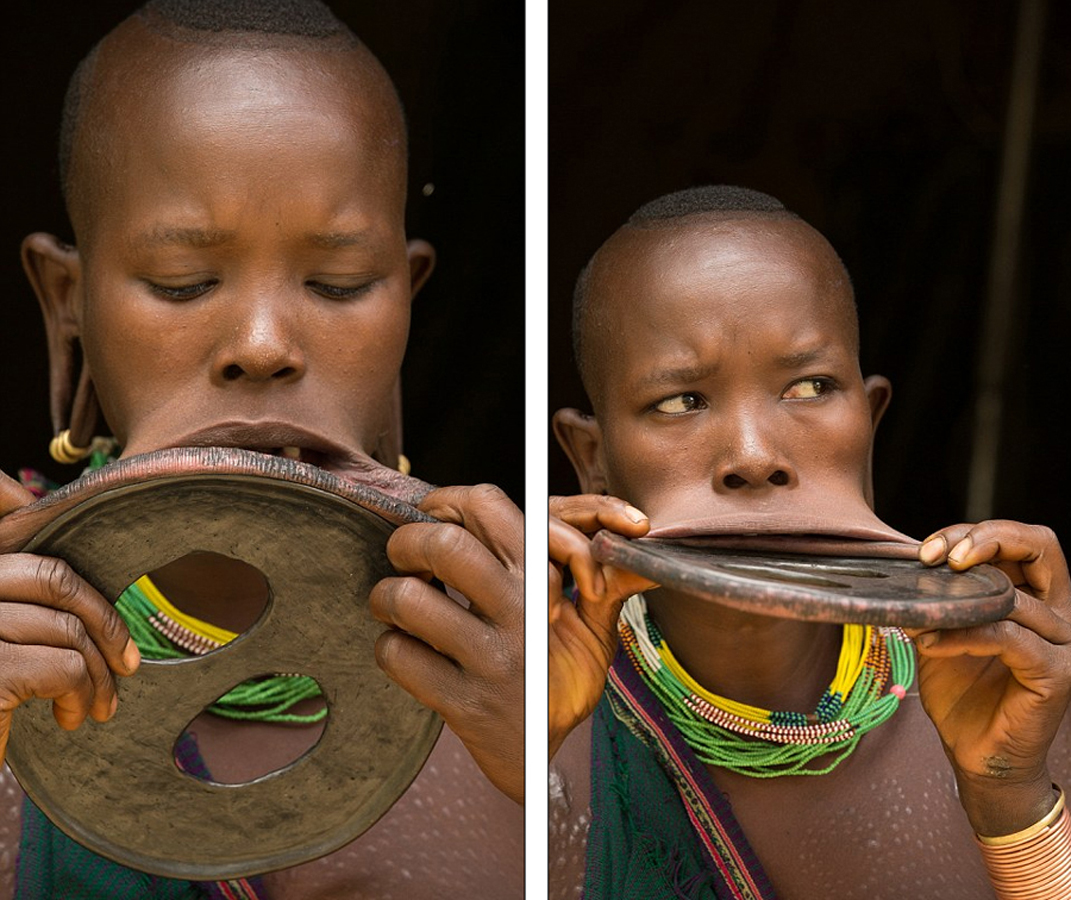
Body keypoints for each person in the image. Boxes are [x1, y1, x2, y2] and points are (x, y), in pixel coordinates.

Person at [0, 2, 524, 898]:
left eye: (339, 283)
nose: (263, 341)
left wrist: (541, 757)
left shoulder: (536, 660)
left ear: (408, 302)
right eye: (183, 283)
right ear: (67, 305)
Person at [549, 185, 1071, 899]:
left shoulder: (1018, 687)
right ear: (590, 456)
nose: (753, 454)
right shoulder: (533, 699)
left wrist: (1008, 791)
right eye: (679, 402)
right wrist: (528, 756)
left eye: (809, 387)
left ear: (870, 420)